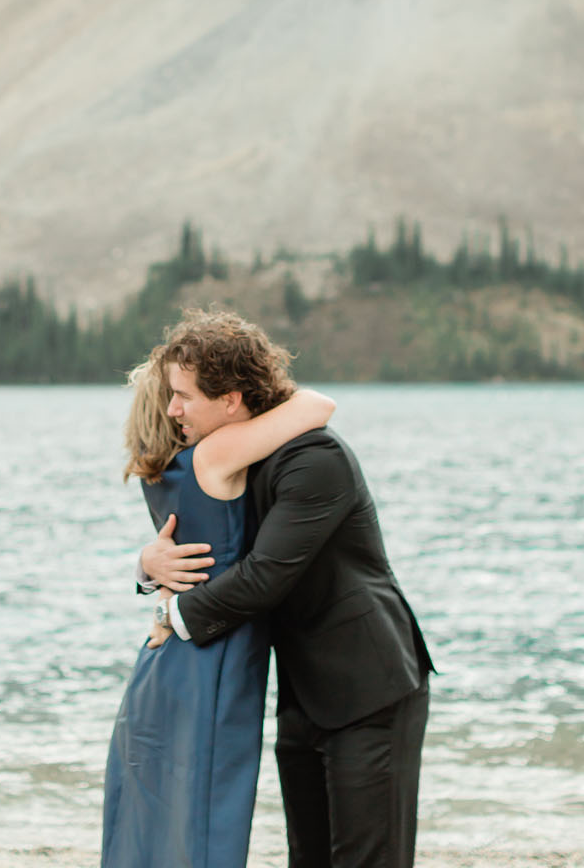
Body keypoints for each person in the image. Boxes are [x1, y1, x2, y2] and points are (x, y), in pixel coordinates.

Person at [141, 310, 433, 868]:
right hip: (302, 692)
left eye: (183, 396)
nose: (172, 409)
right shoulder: (238, 461)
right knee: (309, 859)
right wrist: (146, 565)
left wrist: (173, 619)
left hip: (371, 687)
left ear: (230, 399)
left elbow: (265, 576)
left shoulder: (314, 459)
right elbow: (211, 551)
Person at [102, 337, 337, 868]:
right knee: (209, 809)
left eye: (182, 395)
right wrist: (251, 383)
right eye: (173, 395)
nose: (176, 407)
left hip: (163, 654)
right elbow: (319, 406)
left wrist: (144, 565)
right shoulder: (214, 454)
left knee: (153, 806)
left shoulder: (161, 471)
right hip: (214, 651)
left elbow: (169, 555)